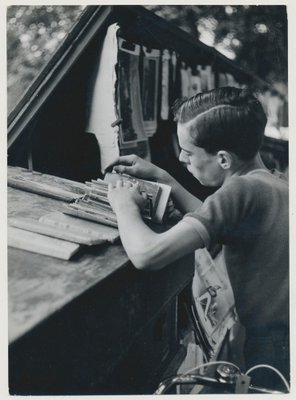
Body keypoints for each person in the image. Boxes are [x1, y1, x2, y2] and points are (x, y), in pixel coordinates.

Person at [107, 87, 289, 391]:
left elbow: (147, 254)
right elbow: (220, 221)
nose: (180, 158)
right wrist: (166, 180)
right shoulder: (270, 184)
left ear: (222, 159)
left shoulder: (240, 192)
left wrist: (124, 206)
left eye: (188, 152)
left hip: (272, 349)